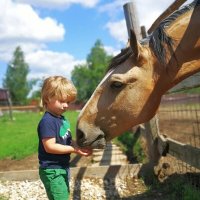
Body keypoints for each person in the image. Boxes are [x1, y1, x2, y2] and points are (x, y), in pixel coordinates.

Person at [37, 76, 92, 200]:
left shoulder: (62, 119)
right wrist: (73, 150)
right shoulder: (47, 122)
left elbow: (65, 140)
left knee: (63, 195)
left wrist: (77, 145)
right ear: (48, 98)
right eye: (62, 101)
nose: (66, 105)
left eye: (68, 102)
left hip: (62, 167)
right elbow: (50, 147)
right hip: (52, 170)